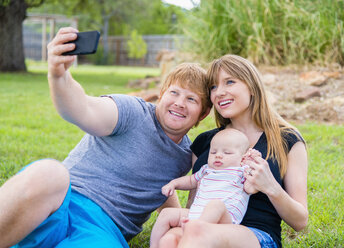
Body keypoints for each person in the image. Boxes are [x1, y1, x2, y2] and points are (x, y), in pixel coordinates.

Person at [0, 27, 211, 248]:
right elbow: (82, 109)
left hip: (101, 231)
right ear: (162, 94)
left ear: (203, 113)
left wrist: (181, 221)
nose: (179, 103)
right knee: (49, 173)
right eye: (174, 93)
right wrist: (58, 74)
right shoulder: (132, 111)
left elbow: (163, 187)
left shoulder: (187, 157)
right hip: (62, 202)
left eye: (191, 99)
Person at [159, 54, 308, 248]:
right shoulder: (205, 143)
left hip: (255, 236)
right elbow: (193, 206)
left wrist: (270, 186)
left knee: (198, 231)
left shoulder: (286, 140)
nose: (219, 92)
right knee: (172, 239)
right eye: (213, 86)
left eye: (229, 82)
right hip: (202, 231)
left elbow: (300, 222)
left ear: (252, 87)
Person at [151, 128, 263, 248]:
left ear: (242, 158)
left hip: (224, 221)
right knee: (166, 214)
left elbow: (252, 188)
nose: (218, 156)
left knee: (216, 204)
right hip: (195, 215)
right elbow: (190, 180)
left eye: (227, 153)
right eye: (213, 152)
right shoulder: (206, 170)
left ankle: (196, 229)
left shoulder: (242, 171)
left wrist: (253, 162)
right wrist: (174, 183)